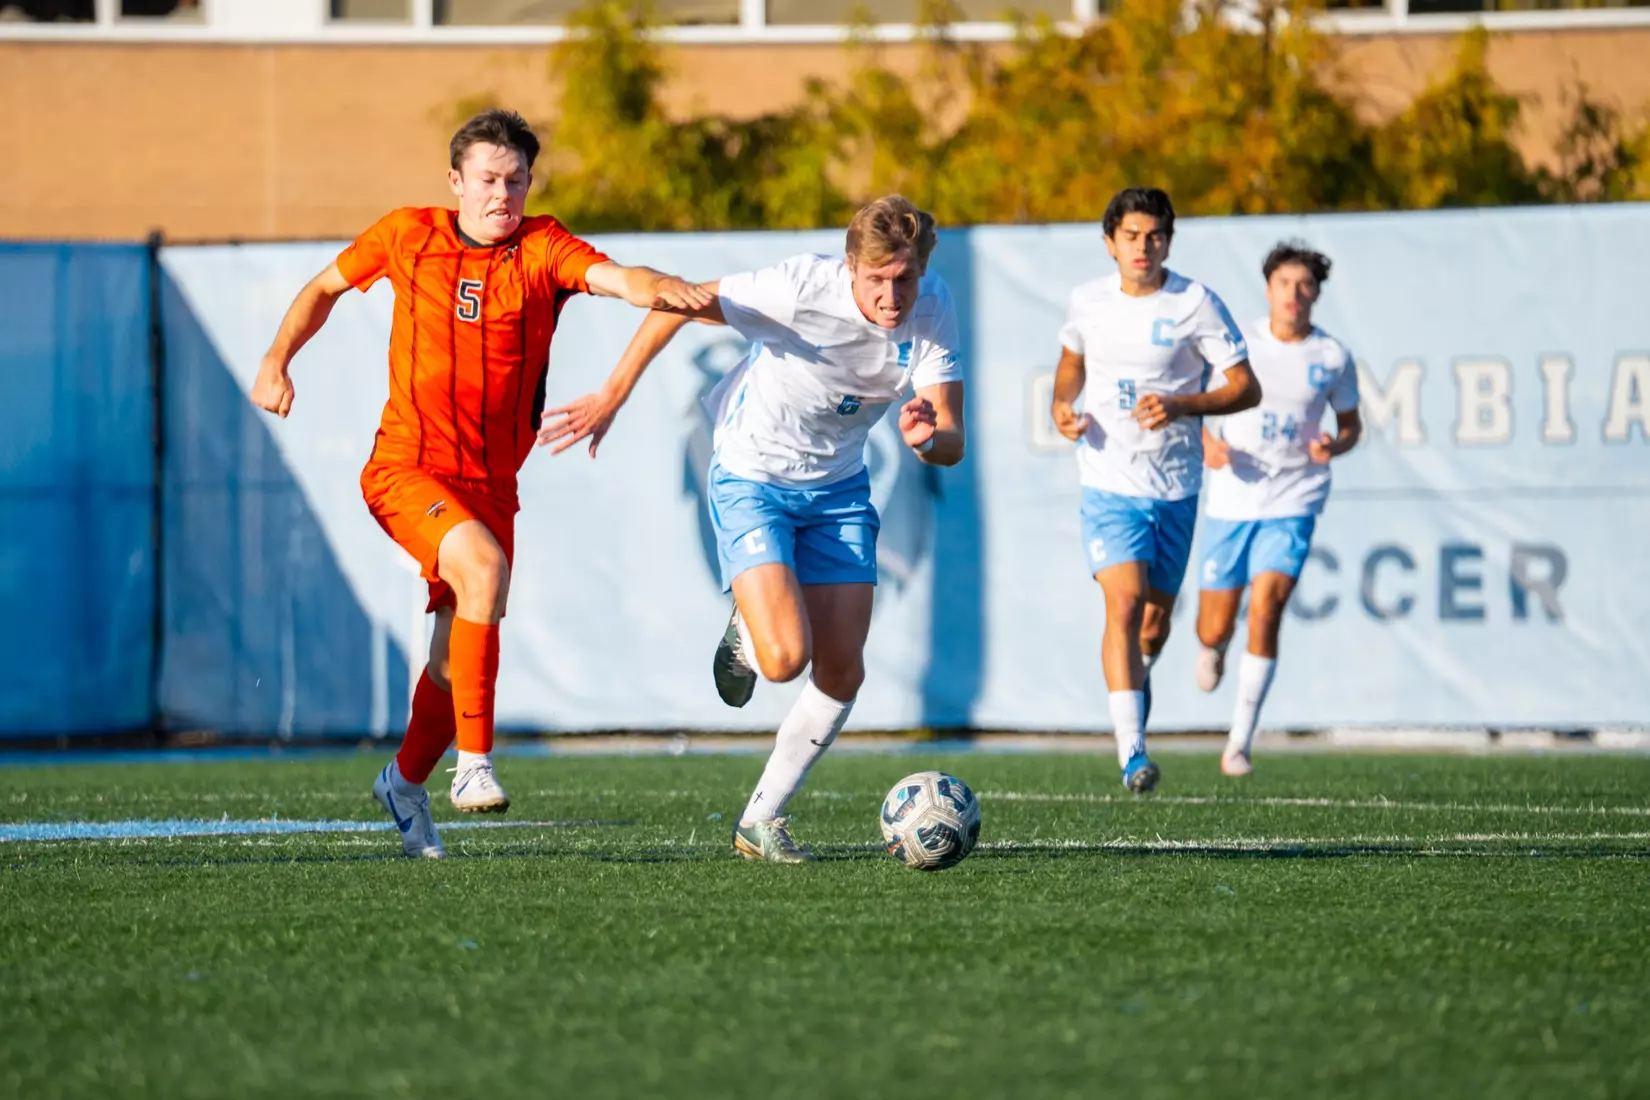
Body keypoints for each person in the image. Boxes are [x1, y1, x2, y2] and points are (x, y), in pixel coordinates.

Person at [249, 108, 710, 858]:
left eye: (516, 180)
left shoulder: (542, 248)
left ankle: (402, 785)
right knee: (483, 569)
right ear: (456, 182)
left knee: (447, 657)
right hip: (406, 466)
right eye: (489, 179)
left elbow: (615, 277)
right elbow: (323, 287)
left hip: (492, 483)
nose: (504, 194)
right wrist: (277, 358)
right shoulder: (407, 234)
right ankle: (473, 765)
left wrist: (659, 286)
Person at [539, 195, 966, 863]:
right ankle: (749, 620)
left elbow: (951, 440)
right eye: (876, 278)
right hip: (752, 476)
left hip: (840, 489)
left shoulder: (933, 306)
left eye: (903, 279)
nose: (891, 295)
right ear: (849, 265)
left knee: (842, 672)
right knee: (783, 659)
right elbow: (675, 304)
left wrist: (927, 438)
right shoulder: (797, 288)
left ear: (922, 271)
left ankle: (760, 820)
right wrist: (611, 394)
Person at [1049, 187, 1260, 794]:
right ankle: (1132, 752)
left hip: (1176, 485)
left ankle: (1139, 680)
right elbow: (1071, 363)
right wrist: (1061, 403)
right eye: (1132, 236)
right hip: (1109, 479)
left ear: (1169, 239)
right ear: (1110, 241)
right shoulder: (1088, 300)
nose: (1144, 247)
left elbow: (1246, 388)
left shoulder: (1195, 303)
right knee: (1123, 604)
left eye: (1156, 236)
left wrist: (1182, 405)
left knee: (1152, 625)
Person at [1195, 241, 1362, 777]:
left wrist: (1335, 445)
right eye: (1284, 283)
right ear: (1268, 288)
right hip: (1233, 494)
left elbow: (1351, 425)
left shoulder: (1333, 357)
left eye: (1304, 284)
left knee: (1268, 608)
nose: (1294, 294)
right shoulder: (1236, 343)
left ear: (1316, 292)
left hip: (1295, 495)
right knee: (1214, 624)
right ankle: (1213, 646)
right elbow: (1191, 403)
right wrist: (1207, 444)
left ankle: (1239, 741)